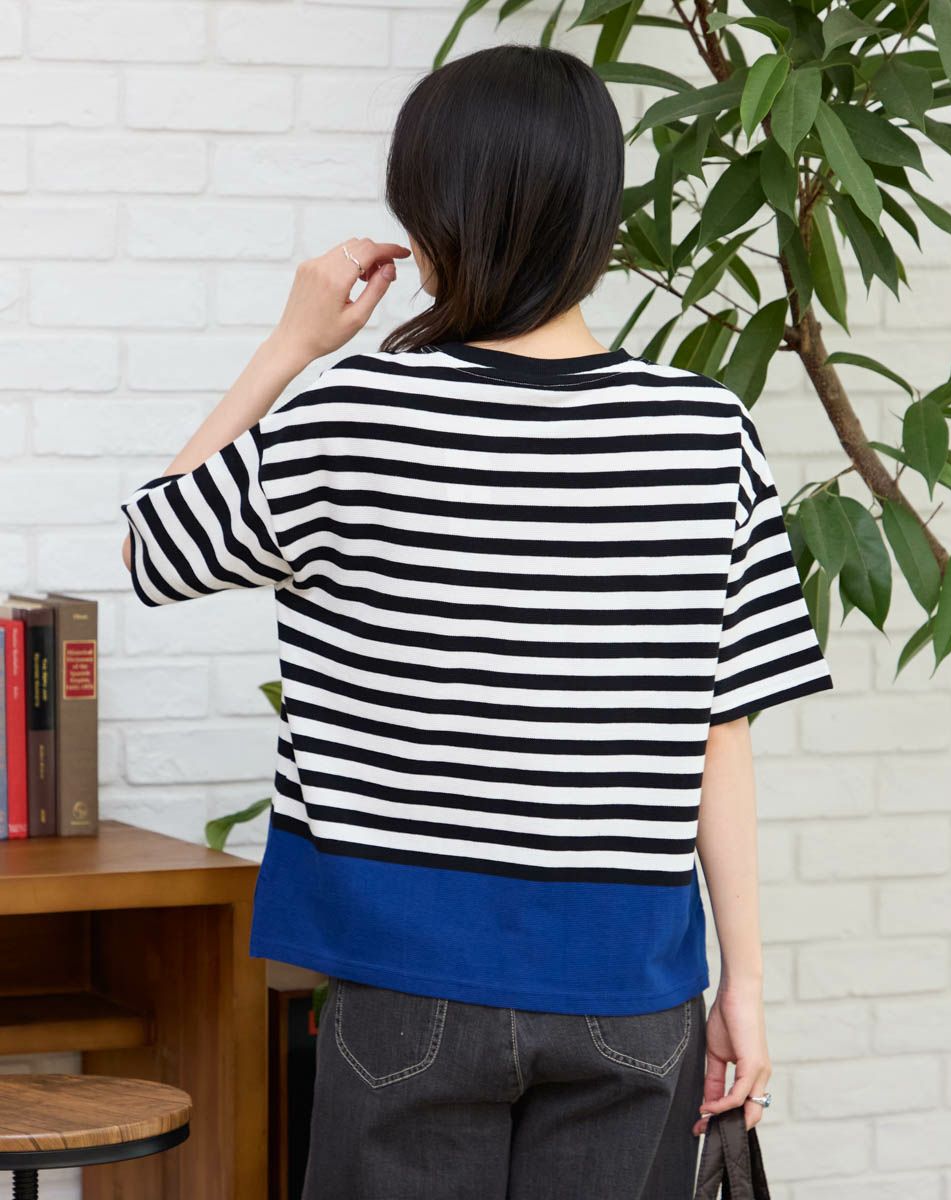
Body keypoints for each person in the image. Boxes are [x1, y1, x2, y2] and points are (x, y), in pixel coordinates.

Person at [120, 42, 833, 1200]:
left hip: (405, 979)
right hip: (631, 987)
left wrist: (292, 345)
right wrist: (744, 986)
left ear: (431, 217)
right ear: (597, 214)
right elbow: (720, 731)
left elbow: (156, 543)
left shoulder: (354, 414)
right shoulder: (708, 434)